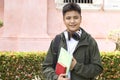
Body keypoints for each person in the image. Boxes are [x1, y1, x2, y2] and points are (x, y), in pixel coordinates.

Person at [42, 3, 103, 80]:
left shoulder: (90, 41)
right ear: (64, 20)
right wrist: (56, 78)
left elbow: (98, 68)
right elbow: (46, 67)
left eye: (75, 17)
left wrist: (76, 66)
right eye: (68, 18)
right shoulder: (57, 40)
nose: (72, 21)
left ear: (81, 18)